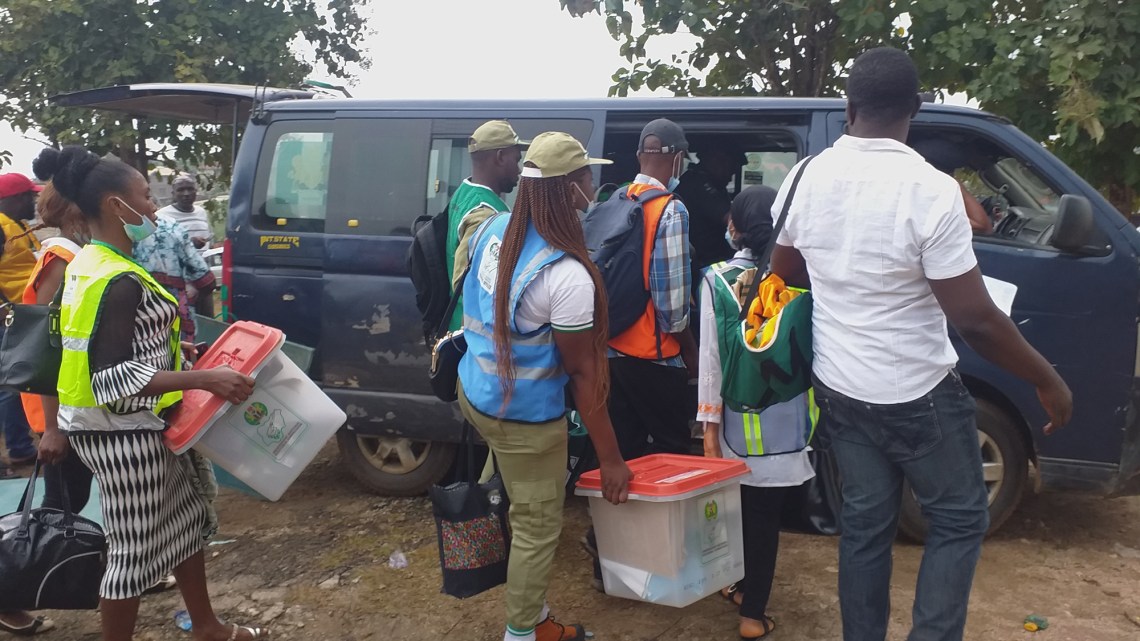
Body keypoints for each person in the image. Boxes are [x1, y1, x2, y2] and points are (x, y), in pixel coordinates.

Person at [770, 47, 1073, 641]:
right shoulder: (931, 190)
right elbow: (975, 320)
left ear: (849, 108)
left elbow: (785, 273)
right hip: (918, 393)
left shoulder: (804, 179)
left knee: (864, 527)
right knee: (959, 518)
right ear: (915, 108)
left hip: (840, 390)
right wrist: (1048, 379)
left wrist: (847, 272)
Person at [36, 145, 264, 641]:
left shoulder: (96, 262)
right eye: (146, 196)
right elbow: (111, 379)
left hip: (125, 425)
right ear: (118, 206)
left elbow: (107, 343)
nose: (154, 207)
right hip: (119, 431)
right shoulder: (116, 279)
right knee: (132, 551)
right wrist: (205, 379)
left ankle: (206, 626)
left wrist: (175, 347)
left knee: (182, 525)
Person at [457, 132, 631, 641]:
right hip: (524, 419)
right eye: (587, 178)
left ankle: (531, 614)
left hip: (477, 395)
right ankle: (523, 633)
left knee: (511, 495)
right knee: (537, 529)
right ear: (569, 189)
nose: (594, 188)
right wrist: (613, 459)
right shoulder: (567, 274)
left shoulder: (494, 230)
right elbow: (583, 376)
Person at [699, 185, 816, 640]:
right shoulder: (802, 279)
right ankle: (753, 607)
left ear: (737, 227)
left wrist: (708, 430)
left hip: (736, 427)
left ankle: (749, 602)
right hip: (789, 426)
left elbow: (710, 362)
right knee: (767, 520)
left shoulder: (716, 280)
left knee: (745, 514)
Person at [606, 118, 698, 460]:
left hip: (612, 349)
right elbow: (671, 306)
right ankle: (663, 516)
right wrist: (690, 350)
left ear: (639, 154)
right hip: (655, 355)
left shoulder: (617, 198)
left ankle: (626, 515)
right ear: (677, 158)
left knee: (627, 450)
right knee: (670, 450)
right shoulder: (670, 209)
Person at [446, 120, 527, 332]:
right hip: (474, 336)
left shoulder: (464, 193)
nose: (519, 171)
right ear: (500, 157)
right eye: (516, 160)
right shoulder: (484, 212)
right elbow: (464, 285)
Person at [0, 172, 42, 471]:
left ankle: (22, 443)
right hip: (8, 315)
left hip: (23, 312)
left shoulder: (20, 225)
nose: (35, 199)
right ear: (11, 200)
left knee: (18, 381)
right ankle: (19, 449)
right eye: (29, 195)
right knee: (12, 385)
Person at [133, 215, 217, 342]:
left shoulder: (113, 236)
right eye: (147, 197)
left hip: (139, 334)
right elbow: (207, 281)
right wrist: (186, 300)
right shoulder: (170, 227)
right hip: (177, 328)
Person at [674, 146, 748, 270]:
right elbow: (731, 219)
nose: (730, 177)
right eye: (731, 168)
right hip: (704, 262)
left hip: (715, 259)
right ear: (716, 160)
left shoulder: (715, 183)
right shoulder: (697, 183)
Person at [156, 174, 212, 249]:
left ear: (196, 192)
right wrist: (189, 243)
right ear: (173, 194)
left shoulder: (201, 212)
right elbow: (158, 245)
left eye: (190, 189)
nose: (186, 194)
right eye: (181, 190)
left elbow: (209, 239)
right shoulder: (161, 216)